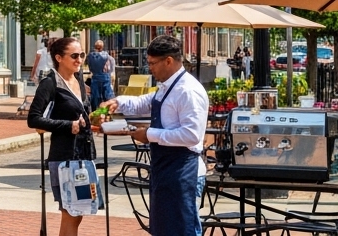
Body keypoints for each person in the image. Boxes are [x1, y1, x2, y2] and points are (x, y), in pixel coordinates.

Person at [102, 35, 209, 236]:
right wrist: (118, 102)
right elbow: (147, 101)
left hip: (183, 170)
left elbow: (191, 135)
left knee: (181, 229)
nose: (149, 68)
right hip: (165, 168)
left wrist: (149, 134)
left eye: (152, 63)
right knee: (164, 228)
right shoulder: (168, 86)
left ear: (168, 60)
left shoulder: (188, 90)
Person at [27, 37, 95, 236]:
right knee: (70, 211)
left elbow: (81, 113)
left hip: (83, 154)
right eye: (74, 56)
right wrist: (67, 126)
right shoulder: (50, 83)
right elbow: (34, 119)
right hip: (64, 156)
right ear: (59, 58)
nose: (79, 60)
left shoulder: (79, 79)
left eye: (82, 55)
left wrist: (94, 120)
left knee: (79, 210)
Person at [86, 40, 115, 110]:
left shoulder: (90, 56)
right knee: (107, 97)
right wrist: (112, 83)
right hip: (106, 79)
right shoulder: (109, 58)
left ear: (95, 47)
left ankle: (94, 113)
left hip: (95, 79)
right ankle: (107, 113)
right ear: (102, 47)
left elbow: (90, 69)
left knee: (95, 98)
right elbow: (111, 71)